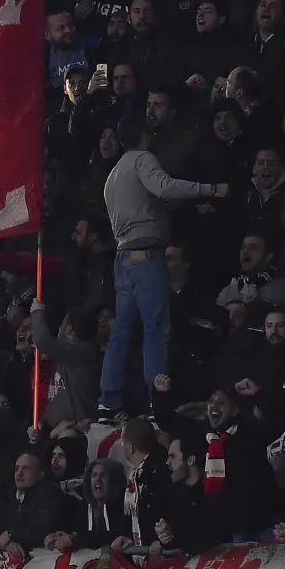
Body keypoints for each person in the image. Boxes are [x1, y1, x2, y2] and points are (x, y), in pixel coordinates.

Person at [99, 123, 226, 422]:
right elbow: (164, 186)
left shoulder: (113, 175)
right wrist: (210, 189)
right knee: (156, 328)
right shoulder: (142, 159)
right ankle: (158, 399)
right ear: (144, 136)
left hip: (122, 258)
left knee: (121, 333)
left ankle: (108, 401)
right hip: (145, 256)